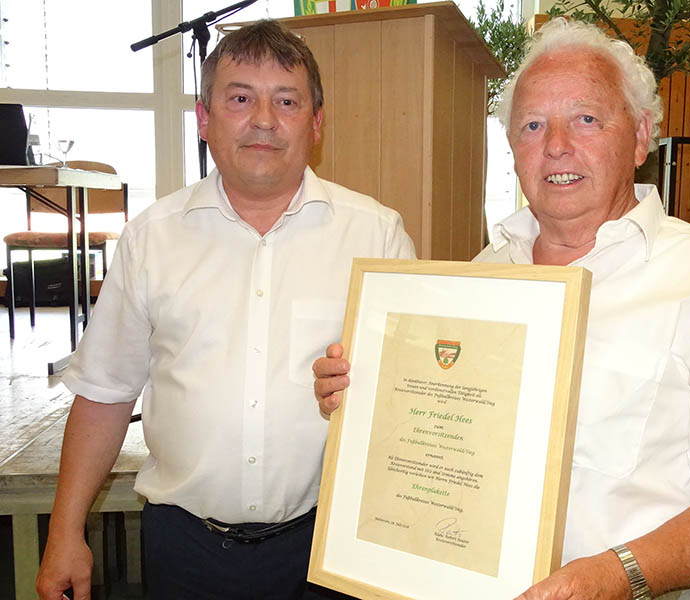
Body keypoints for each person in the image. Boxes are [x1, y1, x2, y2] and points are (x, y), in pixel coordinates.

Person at [312, 18, 690, 600]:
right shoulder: (479, 275)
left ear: (640, 136)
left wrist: (619, 575)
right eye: (533, 125)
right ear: (513, 150)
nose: (556, 144)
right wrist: (362, 395)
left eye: (585, 119)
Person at [36, 19, 415, 600]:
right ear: (205, 118)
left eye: (286, 101)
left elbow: (409, 405)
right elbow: (104, 395)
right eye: (241, 98)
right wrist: (65, 532)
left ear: (315, 124)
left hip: (331, 549)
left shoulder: (377, 235)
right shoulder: (151, 240)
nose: (264, 119)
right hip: (184, 549)